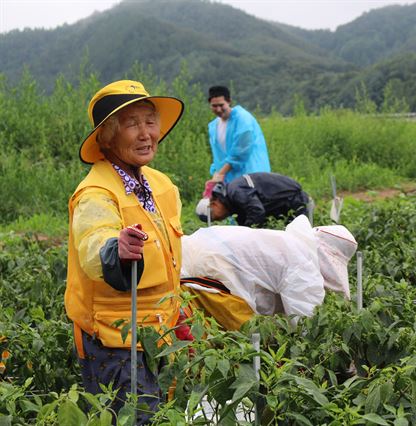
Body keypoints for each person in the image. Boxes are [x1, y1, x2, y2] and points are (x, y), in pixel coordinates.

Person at [65, 80, 184, 422]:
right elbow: (94, 241)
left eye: (150, 121)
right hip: (114, 342)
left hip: (161, 335)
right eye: (132, 124)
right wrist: (117, 251)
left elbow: (171, 257)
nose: (146, 133)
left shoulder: (162, 185)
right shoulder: (95, 192)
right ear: (107, 137)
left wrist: (182, 315)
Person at [180, 215, 357, 330]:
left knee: (199, 329)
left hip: (189, 255)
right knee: (243, 340)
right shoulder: (303, 265)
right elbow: (305, 325)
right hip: (213, 269)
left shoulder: (289, 243)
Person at [206, 85, 271, 185]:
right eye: (214, 106)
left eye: (221, 105)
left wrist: (220, 174)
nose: (218, 109)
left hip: (250, 177)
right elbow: (218, 157)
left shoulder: (243, 120)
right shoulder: (213, 126)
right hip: (229, 180)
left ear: (229, 101)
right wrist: (215, 174)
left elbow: (240, 153)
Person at [196, 172, 310, 227]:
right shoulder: (232, 203)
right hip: (282, 207)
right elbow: (245, 223)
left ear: (214, 204)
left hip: (294, 201)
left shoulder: (235, 191)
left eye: (216, 217)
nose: (220, 219)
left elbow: (256, 212)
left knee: (300, 242)